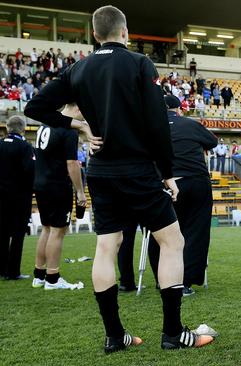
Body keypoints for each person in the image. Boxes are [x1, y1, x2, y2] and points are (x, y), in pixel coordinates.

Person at [23, 5, 214, 353]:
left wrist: (78, 125)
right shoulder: (140, 64)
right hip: (139, 170)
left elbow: (33, 108)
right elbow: (158, 123)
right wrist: (167, 174)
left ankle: (115, 335)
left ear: (94, 35)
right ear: (125, 32)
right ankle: (173, 333)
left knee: (106, 247)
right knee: (173, 242)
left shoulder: (78, 68)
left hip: (101, 173)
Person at [154, 95, 218, 295]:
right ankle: (186, 282)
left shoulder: (152, 126)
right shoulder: (190, 124)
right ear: (179, 110)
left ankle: (163, 278)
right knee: (195, 232)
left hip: (166, 182)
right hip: (196, 181)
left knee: (162, 232)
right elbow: (212, 142)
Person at [31, 104, 86, 290]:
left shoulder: (46, 123)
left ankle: (39, 275)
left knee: (46, 229)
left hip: (41, 183)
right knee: (57, 231)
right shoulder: (68, 129)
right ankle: (52, 278)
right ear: (77, 108)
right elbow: (72, 163)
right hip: (57, 185)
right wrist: (80, 191)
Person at [0, 116, 34, 280]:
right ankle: (13, 271)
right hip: (19, 197)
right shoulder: (25, 147)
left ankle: (1, 269)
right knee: (18, 234)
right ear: (22, 129)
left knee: (2, 233)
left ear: (7, 128)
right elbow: (30, 172)